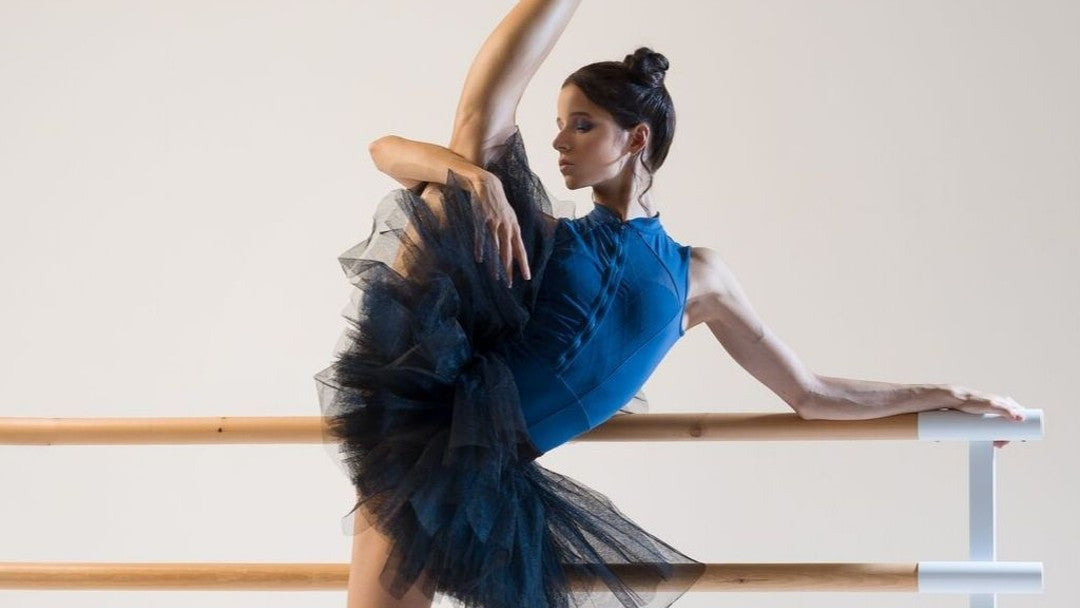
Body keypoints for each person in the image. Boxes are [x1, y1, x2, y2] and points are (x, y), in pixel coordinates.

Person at [314, 2, 1029, 607]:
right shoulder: (542, 237)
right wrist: (477, 177)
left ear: (638, 139)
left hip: (498, 486)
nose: (559, 141)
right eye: (560, 124)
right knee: (461, 175)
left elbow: (810, 394)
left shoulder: (699, 278)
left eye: (581, 124)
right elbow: (388, 148)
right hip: (422, 433)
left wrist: (947, 395)